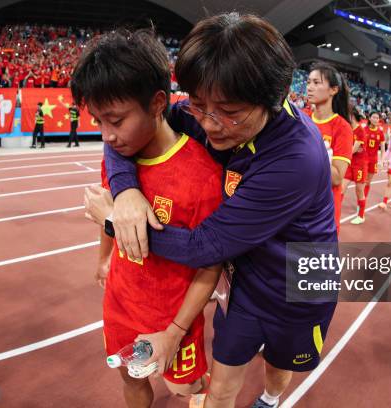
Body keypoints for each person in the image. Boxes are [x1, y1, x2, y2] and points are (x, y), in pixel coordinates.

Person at [87, 13, 337, 408]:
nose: (209, 124)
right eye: (200, 105)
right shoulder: (209, 108)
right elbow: (129, 131)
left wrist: (114, 222)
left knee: (278, 363)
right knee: (222, 386)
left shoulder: (296, 159)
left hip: (300, 278)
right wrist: (126, 192)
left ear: (277, 95)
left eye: (229, 112)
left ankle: (271, 399)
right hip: (245, 273)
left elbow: (207, 245)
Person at [72, 29, 220, 407]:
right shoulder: (120, 156)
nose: (107, 136)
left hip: (174, 316)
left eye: (116, 121)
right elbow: (114, 214)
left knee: (188, 388)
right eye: (98, 122)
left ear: (157, 104)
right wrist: (103, 258)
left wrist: (175, 330)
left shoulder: (201, 176)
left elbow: (211, 263)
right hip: (121, 304)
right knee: (130, 379)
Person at [306, 62, 353, 233]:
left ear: (333, 90)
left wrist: (312, 155)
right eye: (308, 82)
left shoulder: (342, 128)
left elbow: (337, 178)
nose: (310, 87)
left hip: (323, 215)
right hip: (297, 208)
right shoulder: (302, 119)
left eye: (317, 83)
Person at [341, 107, 368, 224]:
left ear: (353, 116)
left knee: (359, 191)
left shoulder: (360, 131)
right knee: (341, 188)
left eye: (348, 114)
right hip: (350, 163)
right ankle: (333, 212)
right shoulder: (347, 128)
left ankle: (361, 216)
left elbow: (352, 150)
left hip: (359, 165)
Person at [363, 111, 386, 201]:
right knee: (362, 181)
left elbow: (383, 149)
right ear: (369, 118)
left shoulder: (380, 132)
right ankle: (360, 199)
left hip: (373, 160)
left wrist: (381, 160)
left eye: (377, 118)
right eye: (374, 117)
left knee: (368, 182)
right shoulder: (364, 129)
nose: (376, 119)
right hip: (363, 159)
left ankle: (363, 201)